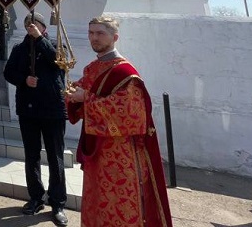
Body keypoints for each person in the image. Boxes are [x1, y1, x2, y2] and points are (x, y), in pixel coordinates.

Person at [65, 15, 172, 227]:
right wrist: (70, 94)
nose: (94, 38)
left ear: (115, 37)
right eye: (91, 33)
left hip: (120, 154)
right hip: (97, 151)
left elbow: (131, 115)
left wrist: (84, 97)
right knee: (96, 200)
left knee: (119, 203)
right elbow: (81, 92)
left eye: (100, 33)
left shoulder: (125, 72)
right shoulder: (91, 68)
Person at [3, 12, 68, 225]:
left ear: (43, 27)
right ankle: (36, 197)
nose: (30, 28)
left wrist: (40, 39)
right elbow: (9, 72)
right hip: (29, 110)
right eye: (28, 25)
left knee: (55, 157)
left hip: (52, 110)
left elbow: (60, 63)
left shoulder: (54, 45)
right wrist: (24, 79)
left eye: (35, 25)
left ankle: (57, 202)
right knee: (31, 156)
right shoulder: (19, 49)